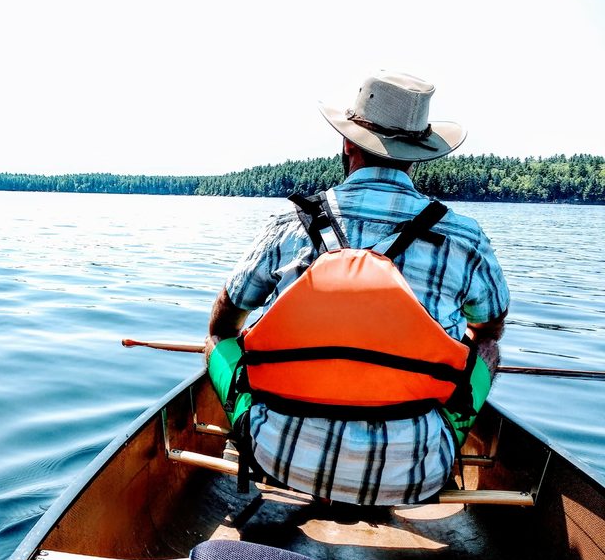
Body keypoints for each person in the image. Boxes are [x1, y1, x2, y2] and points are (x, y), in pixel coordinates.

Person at [206, 71, 509, 505]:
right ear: (418, 155)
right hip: (416, 473)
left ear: (348, 144)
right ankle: (442, 435)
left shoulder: (289, 226)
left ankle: (260, 429)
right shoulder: (464, 239)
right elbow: (490, 331)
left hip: (279, 456)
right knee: (485, 350)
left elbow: (223, 321)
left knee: (219, 339)